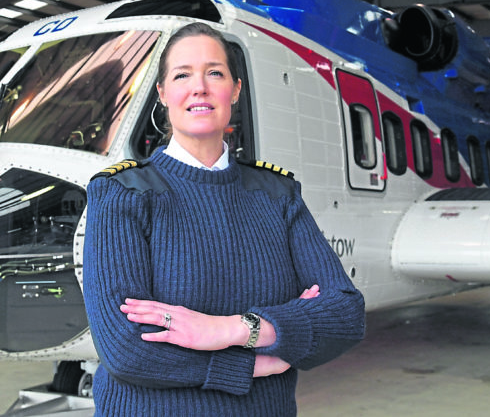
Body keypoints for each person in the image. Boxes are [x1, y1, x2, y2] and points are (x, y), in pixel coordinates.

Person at [83, 22, 365, 416]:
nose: (199, 87)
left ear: (235, 89)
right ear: (163, 94)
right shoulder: (123, 194)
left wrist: (232, 329)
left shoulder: (276, 194)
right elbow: (126, 349)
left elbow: (345, 313)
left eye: (214, 72)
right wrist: (256, 361)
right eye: (182, 75)